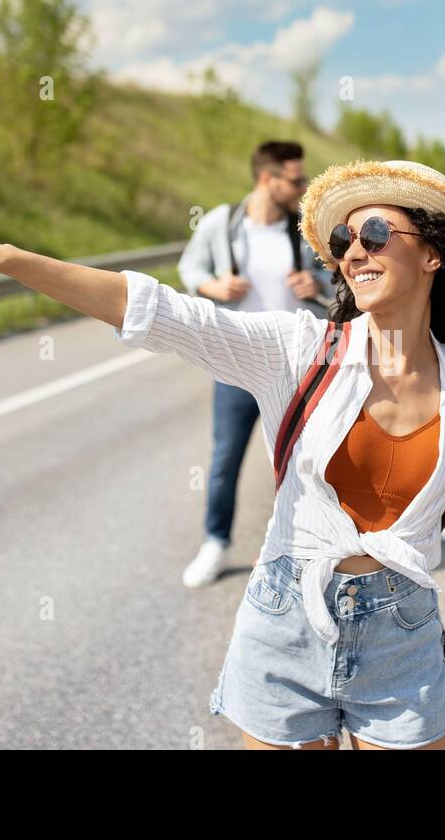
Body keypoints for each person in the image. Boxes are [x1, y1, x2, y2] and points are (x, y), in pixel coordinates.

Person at [0, 157, 445, 749]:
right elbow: (159, 310)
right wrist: (3, 259)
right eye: (344, 237)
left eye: (376, 231)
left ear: (432, 252)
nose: (355, 249)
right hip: (284, 625)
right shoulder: (299, 348)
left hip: (402, 635)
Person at [176, 141, 334, 588]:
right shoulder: (222, 224)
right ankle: (215, 541)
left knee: (310, 459)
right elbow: (191, 268)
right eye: (295, 179)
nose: (302, 187)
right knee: (226, 456)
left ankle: (314, 549)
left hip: (297, 364)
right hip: (236, 362)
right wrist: (214, 286)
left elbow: (332, 275)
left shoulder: (302, 229)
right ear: (268, 179)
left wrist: (314, 282)